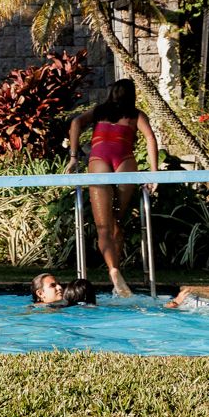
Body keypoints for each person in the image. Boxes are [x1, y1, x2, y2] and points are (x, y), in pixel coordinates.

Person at [67, 79, 160, 297]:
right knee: (116, 221)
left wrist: (73, 156)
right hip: (124, 159)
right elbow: (150, 138)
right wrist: (154, 171)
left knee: (104, 227)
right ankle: (116, 273)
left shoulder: (101, 112)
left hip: (100, 159)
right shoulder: (135, 115)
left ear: (112, 93)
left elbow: (76, 123)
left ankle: (114, 270)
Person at [30, 274, 96, 306]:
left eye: (59, 284)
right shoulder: (37, 309)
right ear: (40, 293)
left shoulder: (64, 304)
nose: (60, 287)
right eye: (53, 285)